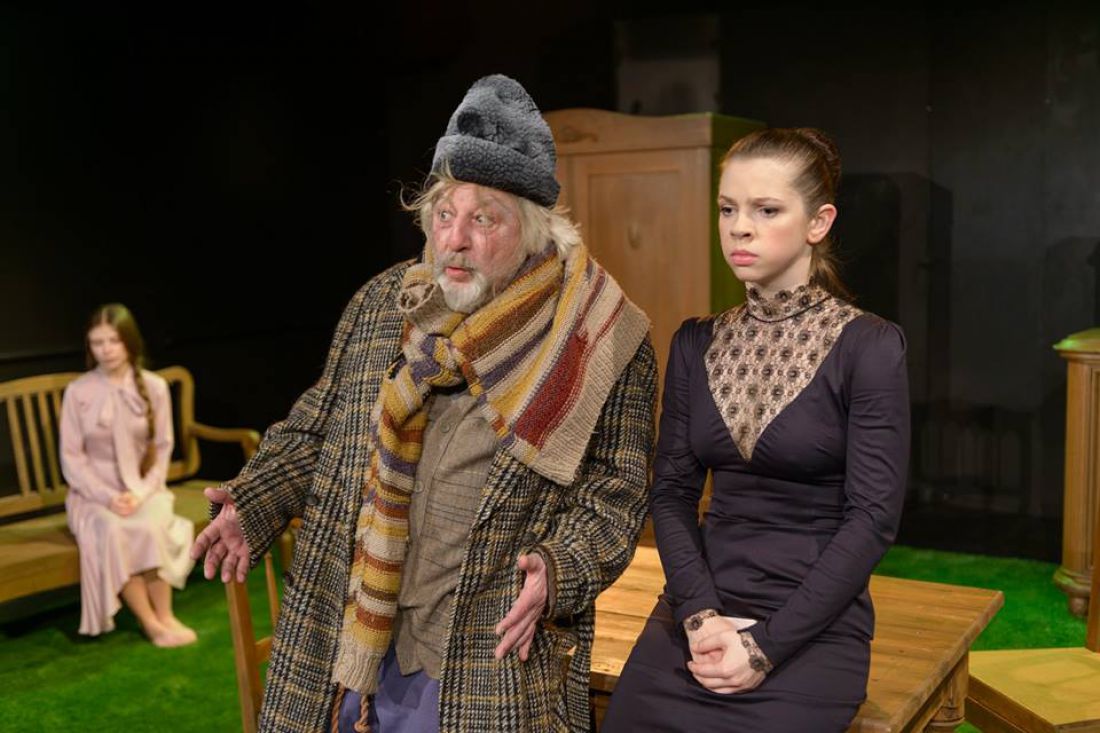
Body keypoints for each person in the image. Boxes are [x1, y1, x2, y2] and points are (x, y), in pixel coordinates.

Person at [191, 74, 657, 732]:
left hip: (485, 657)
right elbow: (316, 433)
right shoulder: (386, 305)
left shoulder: (598, 337)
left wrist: (560, 569)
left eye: (483, 218)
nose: (454, 239)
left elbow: (616, 494)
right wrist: (255, 499)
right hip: (354, 640)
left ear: (533, 230)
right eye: (444, 215)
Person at [602, 128, 910, 732]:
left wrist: (766, 646)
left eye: (766, 210)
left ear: (818, 222)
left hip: (812, 624)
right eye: (728, 209)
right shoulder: (695, 342)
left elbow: (872, 519)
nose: (739, 228)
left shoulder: (868, 346)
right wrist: (698, 615)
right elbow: (671, 493)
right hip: (699, 608)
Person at [60, 303, 197, 646]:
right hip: (92, 495)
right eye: (97, 342)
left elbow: (163, 447)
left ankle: (166, 614)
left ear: (130, 342)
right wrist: (108, 497)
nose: (105, 350)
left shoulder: (154, 386)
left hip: (143, 489)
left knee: (150, 525)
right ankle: (149, 622)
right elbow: (72, 458)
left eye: (113, 341)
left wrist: (141, 492)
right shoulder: (78, 392)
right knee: (113, 529)